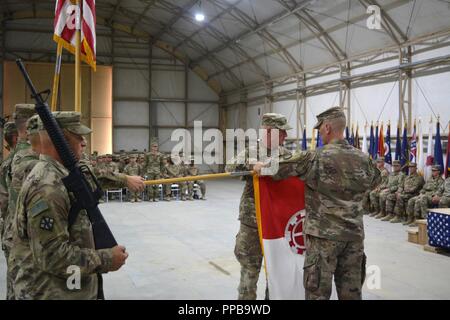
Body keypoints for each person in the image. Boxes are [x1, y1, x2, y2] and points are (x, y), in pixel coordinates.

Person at [254, 107, 381, 300]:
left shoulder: (314, 158)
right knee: (352, 294)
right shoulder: (364, 159)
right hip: (354, 237)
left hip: (323, 239)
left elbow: (275, 169)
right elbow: (376, 181)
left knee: (317, 294)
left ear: (328, 128)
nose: (319, 133)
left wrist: (258, 166)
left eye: (320, 129)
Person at [11, 112, 140, 299]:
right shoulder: (47, 186)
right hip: (53, 292)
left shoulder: (63, 175)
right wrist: (106, 258)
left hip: (71, 288)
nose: (84, 142)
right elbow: (53, 257)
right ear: (60, 140)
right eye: (77, 136)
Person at [226, 113, 293, 300]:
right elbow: (229, 168)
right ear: (270, 132)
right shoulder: (251, 151)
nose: (285, 137)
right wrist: (250, 164)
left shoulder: (287, 155)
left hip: (278, 224)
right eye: (282, 132)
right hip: (252, 222)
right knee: (250, 268)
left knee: (277, 272)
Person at [1, 104, 36, 299]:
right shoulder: (30, 158)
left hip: (10, 232)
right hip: (24, 236)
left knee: (14, 285)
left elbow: (3, 203)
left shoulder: (7, 162)